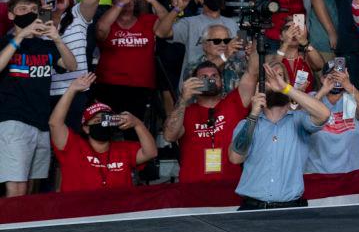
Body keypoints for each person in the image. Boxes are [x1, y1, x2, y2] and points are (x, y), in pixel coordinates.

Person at [0, 0, 78, 197]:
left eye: (33, 9)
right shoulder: (4, 42)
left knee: (34, 185)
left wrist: (57, 38)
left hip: (41, 122)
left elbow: (71, 65)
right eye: (22, 9)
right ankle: (13, 228)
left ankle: (27, 227)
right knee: (17, 186)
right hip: (13, 120)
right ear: (11, 15)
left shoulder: (46, 45)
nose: (29, 12)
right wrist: (20, 36)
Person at [229, 63, 330, 210]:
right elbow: (235, 158)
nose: (275, 81)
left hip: (290, 210)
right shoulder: (247, 123)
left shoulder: (299, 120)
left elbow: (324, 114)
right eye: (270, 78)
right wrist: (253, 115)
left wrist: (286, 89)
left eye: (280, 76)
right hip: (252, 210)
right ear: (260, 87)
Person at [49, 72, 158, 192]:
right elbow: (55, 124)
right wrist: (72, 90)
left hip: (118, 209)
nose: (102, 123)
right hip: (81, 208)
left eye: (106, 119)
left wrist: (137, 123)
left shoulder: (124, 149)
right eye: (97, 120)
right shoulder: (73, 146)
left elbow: (151, 152)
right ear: (86, 128)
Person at [163, 45, 257, 184]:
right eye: (204, 77)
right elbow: (169, 136)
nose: (210, 80)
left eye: (214, 76)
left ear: (221, 81)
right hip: (192, 190)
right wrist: (183, 99)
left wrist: (254, 46)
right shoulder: (186, 111)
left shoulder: (234, 102)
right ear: (194, 82)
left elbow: (252, 73)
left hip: (230, 187)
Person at [305, 62, 359, 174]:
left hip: (352, 177)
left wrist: (348, 85)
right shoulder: (313, 97)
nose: (336, 79)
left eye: (339, 75)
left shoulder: (352, 98)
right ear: (322, 79)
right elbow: (303, 119)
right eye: (331, 75)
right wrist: (322, 91)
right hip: (317, 176)